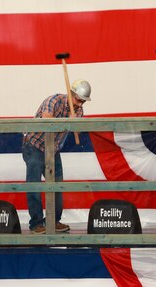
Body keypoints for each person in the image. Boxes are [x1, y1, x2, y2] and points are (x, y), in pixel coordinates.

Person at [22, 79, 91, 234]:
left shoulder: (78, 111)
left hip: (53, 150)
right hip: (34, 146)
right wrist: (66, 121)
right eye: (79, 100)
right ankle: (36, 224)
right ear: (71, 94)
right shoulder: (53, 101)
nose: (80, 104)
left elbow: (78, 132)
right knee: (34, 185)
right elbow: (47, 121)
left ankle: (53, 221)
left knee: (58, 185)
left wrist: (76, 125)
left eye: (83, 102)